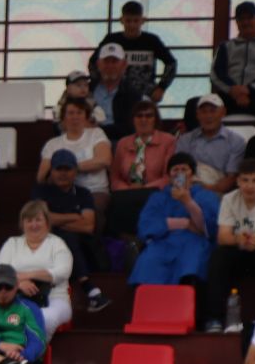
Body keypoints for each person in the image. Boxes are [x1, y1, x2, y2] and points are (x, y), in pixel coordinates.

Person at [203, 158, 255, 333]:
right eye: (245, 180)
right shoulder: (229, 199)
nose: (250, 186)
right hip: (237, 250)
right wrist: (239, 240)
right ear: (238, 181)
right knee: (218, 256)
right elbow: (223, 237)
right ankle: (214, 318)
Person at [32, 148, 112, 311]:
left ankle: (85, 291)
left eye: (67, 169)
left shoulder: (83, 193)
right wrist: (74, 216)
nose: (63, 173)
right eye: (58, 169)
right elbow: (41, 220)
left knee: (67, 237)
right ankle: (90, 290)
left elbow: (88, 226)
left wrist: (55, 219)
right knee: (65, 237)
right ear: (51, 171)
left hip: (81, 245)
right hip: (49, 243)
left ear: (75, 171)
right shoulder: (41, 191)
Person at [130, 153, 219, 291]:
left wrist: (188, 202)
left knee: (191, 262)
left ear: (192, 174)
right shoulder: (158, 197)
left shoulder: (206, 196)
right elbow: (145, 226)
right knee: (149, 260)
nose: (179, 173)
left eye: (184, 169)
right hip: (163, 241)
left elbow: (208, 229)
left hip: (194, 242)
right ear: (169, 175)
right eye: (175, 170)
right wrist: (182, 223)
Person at [0, 200, 76, 337]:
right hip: (16, 298)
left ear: (47, 223)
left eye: (38, 220)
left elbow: (62, 271)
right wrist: (18, 283)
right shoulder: (12, 243)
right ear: (22, 224)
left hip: (55, 299)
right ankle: (23, 355)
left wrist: (25, 275)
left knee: (43, 317)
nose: (34, 225)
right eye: (29, 221)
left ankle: (31, 355)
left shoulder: (57, 244)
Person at [104, 99, 177, 238]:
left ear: (155, 119)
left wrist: (143, 189)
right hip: (126, 194)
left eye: (149, 116)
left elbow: (169, 177)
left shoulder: (169, 141)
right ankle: (125, 245)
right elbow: (114, 176)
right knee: (117, 204)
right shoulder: (123, 143)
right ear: (133, 120)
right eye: (139, 116)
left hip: (155, 192)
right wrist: (126, 190)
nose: (144, 119)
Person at [38, 97, 112, 226]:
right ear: (63, 117)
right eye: (71, 113)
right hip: (63, 192)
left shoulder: (96, 134)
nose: (75, 117)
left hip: (95, 190)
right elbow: (42, 176)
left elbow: (104, 160)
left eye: (79, 113)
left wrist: (70, 169)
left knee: (93, 211)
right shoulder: (53, 144)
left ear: (86, 116)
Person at [90, 0, 178, 108]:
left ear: (143, 20)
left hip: (145, 96)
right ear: (122, 20)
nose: (132, 25)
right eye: (128, 21)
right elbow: (93, 63)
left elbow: (171, 63)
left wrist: (161, 88)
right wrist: (101, 85)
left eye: (136, 21)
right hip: (116, 96)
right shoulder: (111, 40)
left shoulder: (151, 41)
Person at [210, 1, 255, 123]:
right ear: (237, 22)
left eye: (250, 18)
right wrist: (233, 90)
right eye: (241, 19)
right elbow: (216, 74)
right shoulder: (226, 46)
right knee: (194, 105)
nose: (246, 22)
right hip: (229, 97)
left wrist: (249, 89)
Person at [172, 92, 246, 192]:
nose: (208, 116)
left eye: (213, 111)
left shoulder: (237, 142)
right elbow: (179, 172)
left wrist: (204, 190)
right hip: (187, 190)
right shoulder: (185, 140)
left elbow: (230, 179)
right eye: (204, 112)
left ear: (223, 112)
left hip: (218, 193)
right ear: (197, 115)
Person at [89, 42, 147, 132]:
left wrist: (98, 130)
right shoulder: (86, 90)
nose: (110, 66)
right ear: (98, 64)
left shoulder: (134, 94)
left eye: (114, 61)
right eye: (106, 61)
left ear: (124, 65)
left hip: (121, 142)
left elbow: (131, 127)